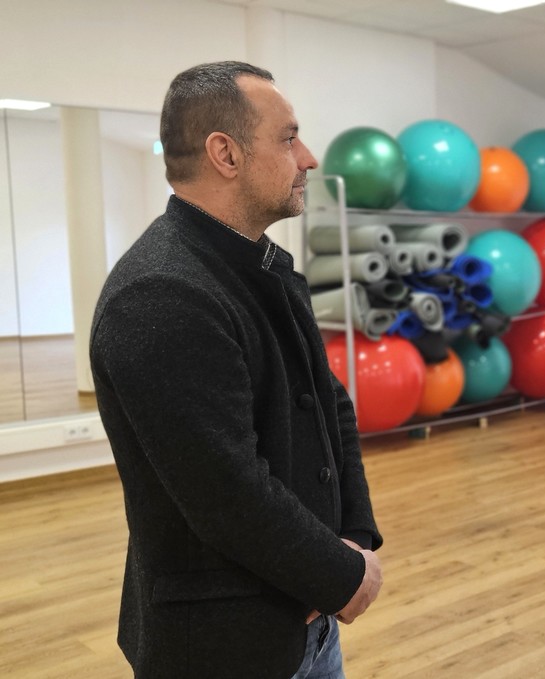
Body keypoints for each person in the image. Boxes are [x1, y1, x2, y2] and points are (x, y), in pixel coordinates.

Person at [90, 61, 383, 679]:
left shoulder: (262, 268)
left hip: (307, 619)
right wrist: (341, 574)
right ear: (225, 153)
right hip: (224, 645)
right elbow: (227, 493)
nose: (308, 157)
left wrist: (353, 536)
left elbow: (330, 407)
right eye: (288, 137)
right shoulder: (161, 293)